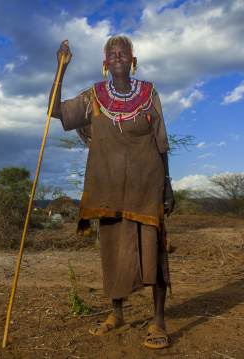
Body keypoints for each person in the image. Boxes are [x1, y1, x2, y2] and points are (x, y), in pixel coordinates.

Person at [48, 36, 175, 349]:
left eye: (123, 53)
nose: (118, 57)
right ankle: (116, 314)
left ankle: (158, 320)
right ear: (105, 62)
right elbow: (55, 111)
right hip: (107, 188)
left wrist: (168, 183)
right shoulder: (94, 96)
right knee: (113, 251)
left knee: (153, 248)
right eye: (112, 53)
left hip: (147, 185)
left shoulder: (148, 93)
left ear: (132, 59)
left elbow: (160, 140)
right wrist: (60, 70)